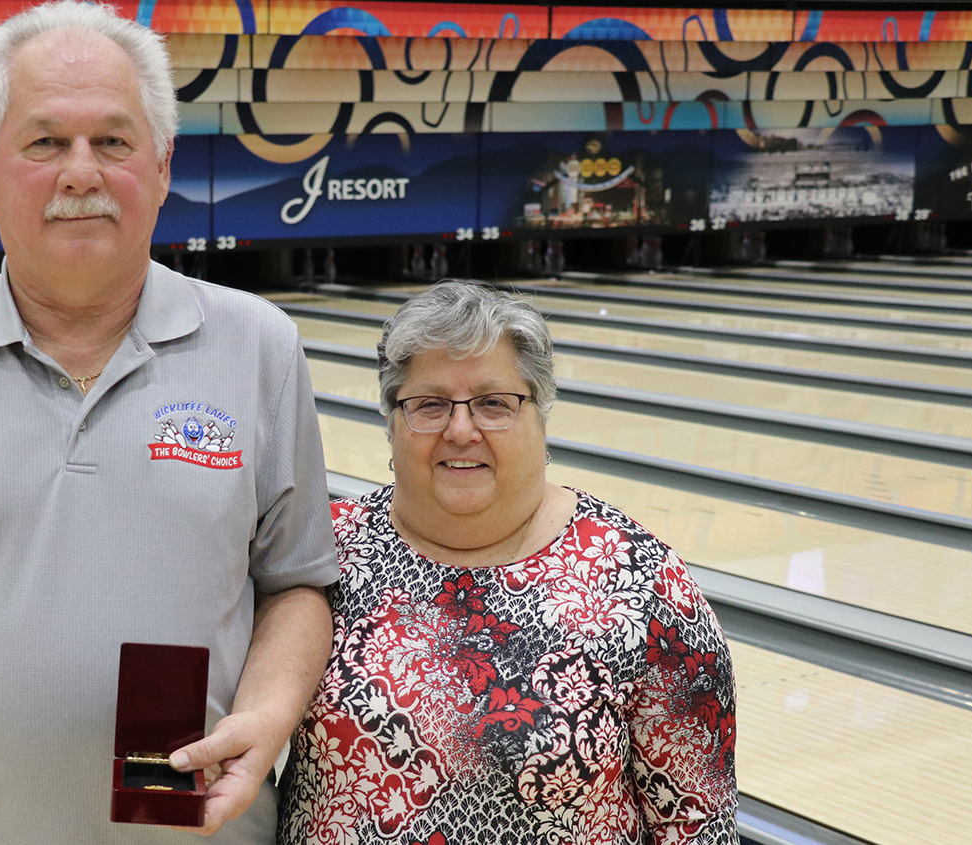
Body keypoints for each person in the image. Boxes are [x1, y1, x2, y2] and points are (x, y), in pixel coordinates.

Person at [0, 3, 337, 843]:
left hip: (194, 829)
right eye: (45, 142)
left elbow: (296, 581)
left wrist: (264, 711)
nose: (82, 172)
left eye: (113, 141)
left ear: (160, 166)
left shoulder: (258, 347)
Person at [278, 282, 737, 845]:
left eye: (494, 404)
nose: (461, 430)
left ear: (540, 417)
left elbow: (698, 825)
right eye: (430, 404)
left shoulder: (641, 582)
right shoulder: (323, 552)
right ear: (392, 422)